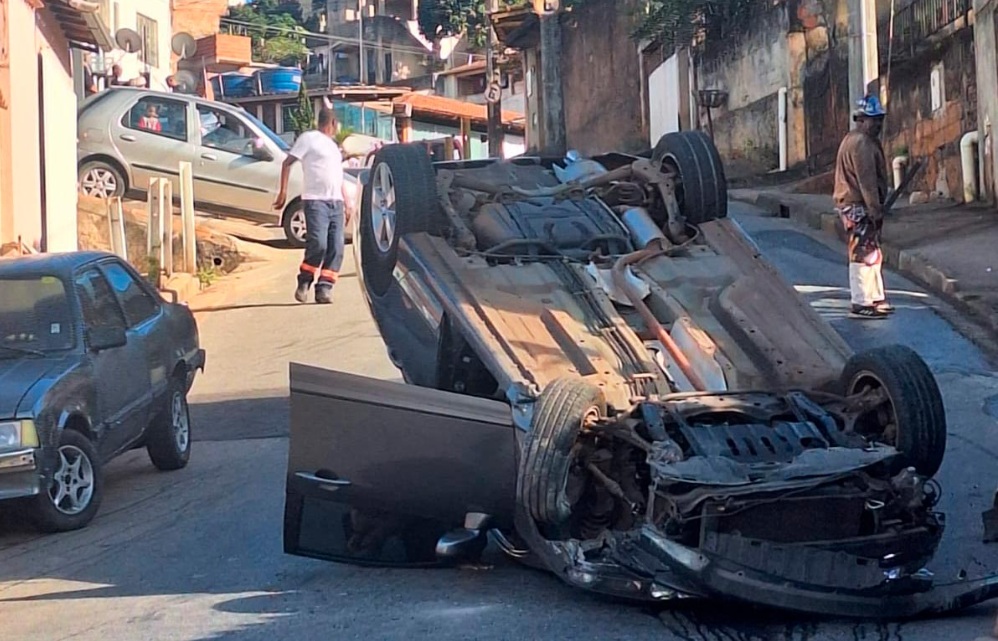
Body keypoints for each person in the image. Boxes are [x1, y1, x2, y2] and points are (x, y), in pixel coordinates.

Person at [273, 108, 350, 304]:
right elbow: (287, 163)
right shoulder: (309, 138)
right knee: (318, 243)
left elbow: (337, 176)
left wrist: (347, 202)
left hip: (336, 202)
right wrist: (282, 192)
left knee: (337, 247)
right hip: (315, 200)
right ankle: (304, 281)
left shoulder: (334, 147)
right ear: (332, 124)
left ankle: (324, 287)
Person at [833, 94, 893, 320]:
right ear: (861, 119)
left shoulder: (857, 140)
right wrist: (875, 209)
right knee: (861, 253)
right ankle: (861, 300)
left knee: (872, 253)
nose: (877, 124)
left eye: (879, 120)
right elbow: (867, 181)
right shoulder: (861, 144)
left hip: (856, 203)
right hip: (857, 205)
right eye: (873, 120)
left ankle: (876, 296)